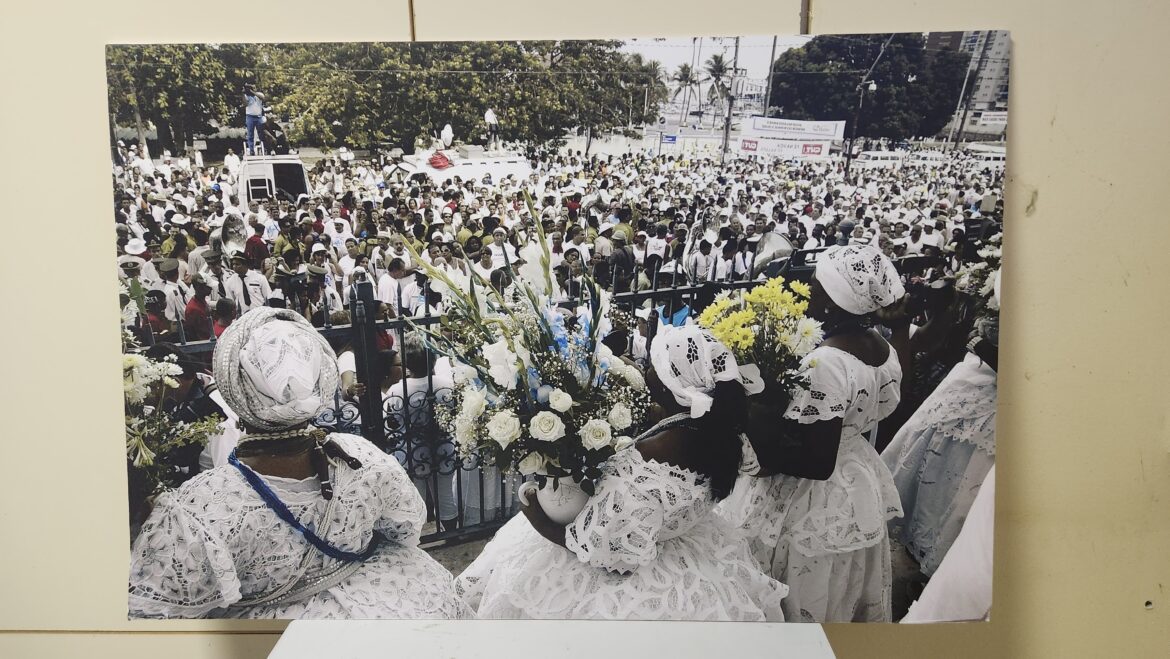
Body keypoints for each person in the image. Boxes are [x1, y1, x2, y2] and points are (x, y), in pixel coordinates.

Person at [128, 307, 465, 619]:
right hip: (394, 605)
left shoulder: (200, 507)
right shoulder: (363, 455)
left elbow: (157, 615)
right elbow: (406, 527)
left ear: (235, 390)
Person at [455, 324, 787, 621]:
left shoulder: (650, 458)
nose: (647, 370)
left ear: (674, 389)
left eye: (654, 368)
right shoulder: (720, 429)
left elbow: (601, 548)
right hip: (692, 544)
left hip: (625, 568)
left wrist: (535, 517)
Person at [719, 244, 907, 623]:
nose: (810, 286)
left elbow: (818, 462)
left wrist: (760, 448)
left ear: (836, 300)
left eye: (819, 282)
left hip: (815, 498)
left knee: (804, 586)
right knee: (842, 584)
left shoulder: (826, 362)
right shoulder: (882, 346)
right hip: (856, 473)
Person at [243, 84, 266, 156]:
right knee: (250, 134)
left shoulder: (259, 94)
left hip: (259, 116)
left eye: (253, 88)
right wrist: (243, 94)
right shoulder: (246, 95)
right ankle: (251, 150)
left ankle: (264, 148)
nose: (252, 89)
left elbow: (263, 98)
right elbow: (245, 104)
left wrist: (253, 92)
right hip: (250, 116)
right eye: (250, 88)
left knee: (261, 133)